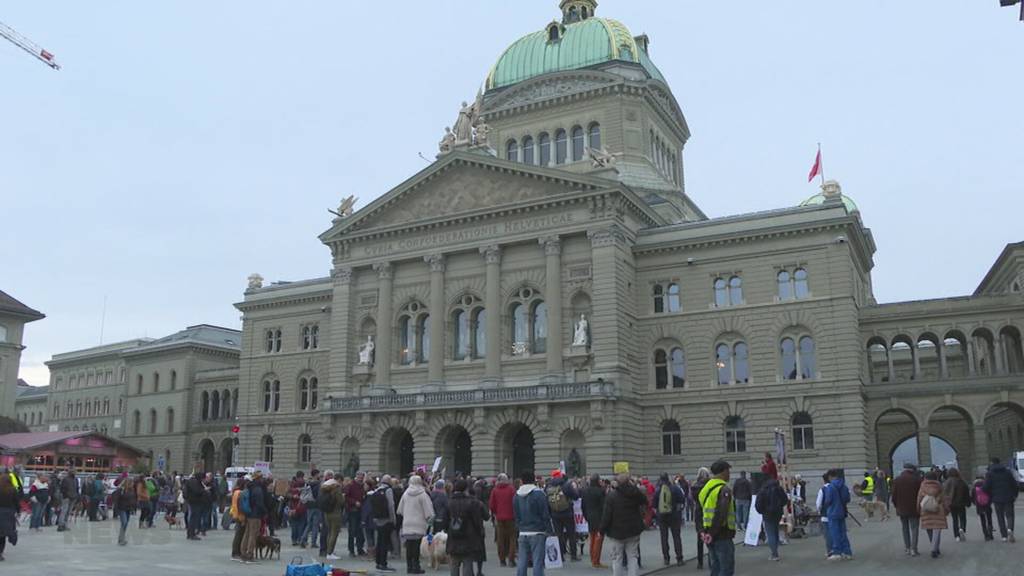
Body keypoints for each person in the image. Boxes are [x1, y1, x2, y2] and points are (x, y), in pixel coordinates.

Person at [599, 473, 648, 576]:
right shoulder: (635, 493)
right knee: (633, 557)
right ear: (629, 481)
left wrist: (602, 530)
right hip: (633, 530)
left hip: (617, 532)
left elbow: (606, 516)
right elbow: (645, 501)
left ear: (617, 483)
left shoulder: (611, 496)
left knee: (617, 558)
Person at [698, 460, 735, 576]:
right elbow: (721, 514)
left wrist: (703, 531)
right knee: (726, 569)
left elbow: (699, 512)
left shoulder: (705, 489)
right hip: (722, 534)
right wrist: (712, 533)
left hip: (709, 533)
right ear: (723, 472)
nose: (729, 474)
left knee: (715, 568)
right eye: (728, 471)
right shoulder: (724, 490)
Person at [447, 479, 489, 576]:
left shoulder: (449, 502)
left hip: (453, 536)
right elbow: (478, 520)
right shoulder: (472, 502)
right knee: (467, 562)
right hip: (469, 536)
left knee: (454, 562)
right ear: (466, 489)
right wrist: (480, 531)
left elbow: (445, 520)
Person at [514, 470, 551, 576]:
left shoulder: (516, 495)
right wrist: (549, 530)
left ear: (522, 481)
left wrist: (519, 526)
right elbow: (545, 513)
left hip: (523, 531)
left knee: (522, 561)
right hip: (538, 531)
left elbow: (516, 515)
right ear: (533, 480)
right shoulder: (539, 494)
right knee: (537, 561)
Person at [398, 475, 434, 574]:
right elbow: (428, 511)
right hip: (419, 523)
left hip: (407, 522)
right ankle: (416, 566)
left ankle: (409, 567)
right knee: (416, 546)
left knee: (409, 545)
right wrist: (429, 519)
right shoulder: (423, 494)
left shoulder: (406, 493)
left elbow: (400, 509)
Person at [545, 470, 579, 562]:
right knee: (571, 534)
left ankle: (560, 556)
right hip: (567, 512)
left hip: (555, 514)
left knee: (558, 535)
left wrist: (550, 513)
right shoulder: (566, 485)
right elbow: (576, 496)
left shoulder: (548, 486)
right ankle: (573, 556)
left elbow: (547, 501)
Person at [891, 462, 923, 557]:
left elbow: (894, 496)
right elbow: (921, 494)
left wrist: (897, 505)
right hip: (914, 508)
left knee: (904, 528)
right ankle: (914, 549)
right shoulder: (917, 480)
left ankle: (907, 548)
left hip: (902, 508)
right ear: (912, 470)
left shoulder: (897, 480)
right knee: (914, 528)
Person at [983, 457, 1017, 543]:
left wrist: (990, 494)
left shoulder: (989, 474)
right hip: (1009, 497)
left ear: (992, 463)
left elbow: (985, 487)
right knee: (1010, 515)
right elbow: (1014, 484)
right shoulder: (1007, 472)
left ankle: (1004, 536)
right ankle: (1010, 529)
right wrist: (1014, 495)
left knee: (1000, 517)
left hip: (997, 498)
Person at [821, 469, 852, 561]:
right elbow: (847, 499)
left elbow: (828, 500)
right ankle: (847, 552)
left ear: (830, 476)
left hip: (833, 512)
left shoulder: (830, 487)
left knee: (835, 532)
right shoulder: (844, 486)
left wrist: (825, 506)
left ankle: (837, 552)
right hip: (842, 511)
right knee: (843, 532)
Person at [755, 476, 788, 561]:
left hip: (767, 514)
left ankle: (774, 553)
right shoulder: (778, 488)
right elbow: (785, 500)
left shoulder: (763, 490)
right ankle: (775, 550)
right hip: (777, 513)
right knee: (775, 531)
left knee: (770, 533)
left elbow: (758, 504)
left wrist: (762, 511)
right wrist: (780, 506)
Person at [655, 473, 684, 566]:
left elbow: (654, 503)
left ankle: (666, 558)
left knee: (664, 538)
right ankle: (679, 558)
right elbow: (682, 499)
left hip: (662, 517)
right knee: (676, 537)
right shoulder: (675, 488)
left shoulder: (658, 490)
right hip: (674, 516)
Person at [370, 474, 398, 572]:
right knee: (385, 542)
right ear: (389, 481)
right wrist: (393, 519)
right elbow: (391, 505)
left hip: (378, 519)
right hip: (387, 520)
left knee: (379, 541)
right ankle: (383, 563)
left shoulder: (377, 490)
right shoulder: (388, 490)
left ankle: (378, 562)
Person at [917, 470, 948, 559]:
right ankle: (935, 548)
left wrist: (918, 510)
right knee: (937, 530)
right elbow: (944, 498)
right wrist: (946, 509)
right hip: (938, 510)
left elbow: (919, 498)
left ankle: (933, 546)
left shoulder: (922, 487)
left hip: (925, 510)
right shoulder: (939, 486)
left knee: (929, 528)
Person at [489, 473, 517, 567]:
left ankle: (502, 560)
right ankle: (511, 559)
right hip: (511, 517)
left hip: (499, 518)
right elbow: (515, 502)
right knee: (512, 538)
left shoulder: (495, 490)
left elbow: (491, 505)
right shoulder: (511, 489)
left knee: (500, 539)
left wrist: (495, 513)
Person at [580, 474, 606, 568]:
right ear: (597, 481)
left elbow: (582, 506)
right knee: (598, 539)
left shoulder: (585, 490)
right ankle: (596, 561)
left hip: (590, 516)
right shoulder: (600, 491)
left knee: (592, 538)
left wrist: (586, 516)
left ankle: (593, 558)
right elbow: (604, 506)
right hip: (599, 517)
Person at [242, 471, 268, 563]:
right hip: (256, 514)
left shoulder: (250, 486)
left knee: (247, 534)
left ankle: (243, 553)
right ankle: (250, 554)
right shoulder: (258, 489)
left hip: (249, 513)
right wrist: (265, 511)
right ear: (258, 478)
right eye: (261, 478)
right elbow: (259, 503)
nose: (263, 479)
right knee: (253, 535)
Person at [319, 471, 344, 560]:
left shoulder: (325, 487)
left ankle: (327, 551)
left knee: (329, 532)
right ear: (339, 480)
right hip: (335, 512)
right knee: (334, 533)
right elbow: (340, 501)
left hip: (327, 512)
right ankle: (330, 553)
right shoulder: (336, 488)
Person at [942, 468, 970, 542]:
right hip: (961, 503)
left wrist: (945, 503)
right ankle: (962, 528)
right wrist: (968, 502)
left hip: (952, 504)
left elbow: (944, 493)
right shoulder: (961, 481)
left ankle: (956, 536)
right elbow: (966, 492)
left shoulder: (947, 482)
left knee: (955, 520)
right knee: (962, 517)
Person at [691, 467, 711, 570]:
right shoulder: (709, 485)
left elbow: (693, 499)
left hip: (698, 512)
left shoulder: (694, 486)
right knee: (710, 537)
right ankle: (711, 560)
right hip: (708, 512)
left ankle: (700, 562)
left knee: (700, 538)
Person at [344, 471, 367, 556]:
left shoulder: (363, 486)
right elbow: (346, 497)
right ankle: (351, 550)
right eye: (359, 477)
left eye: (362, 477)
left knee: (360, 531)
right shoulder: (350, 485)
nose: (360, 478)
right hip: (352, 510)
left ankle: (360, 549)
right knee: (352, 531)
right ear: (356, 476)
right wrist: (354, 502)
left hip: (361, 510)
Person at [0, 473, 21, 561]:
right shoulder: (12, 490)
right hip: (8, 513)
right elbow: (16, 502)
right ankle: (0, 553)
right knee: (2, 535)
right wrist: (18, 511)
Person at [112, 473, 137, 546]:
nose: (133, 484)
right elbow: (116, 499)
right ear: (127, 483)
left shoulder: (132, 490)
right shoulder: (121, 490)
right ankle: (121, 539)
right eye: (131, 483)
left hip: (128, 509)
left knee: (125, 524)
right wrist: (116, 509)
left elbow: (133, 500)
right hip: (121, 508)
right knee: (124, 522)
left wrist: (134, 507)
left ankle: (121, 538)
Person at [301, 469, 323, 551]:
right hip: (316, 505)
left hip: (309, 504)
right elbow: (319, 495)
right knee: (315, 525)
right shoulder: (318, 484)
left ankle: (303, 539)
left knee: (309, 524)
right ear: (316, 474)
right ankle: (313, 542)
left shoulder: (307, 483)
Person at [229, 477, 248, 562]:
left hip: (236, 515)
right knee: (239, 535)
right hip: (240, 516)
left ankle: (235, 552)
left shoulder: (235, 491)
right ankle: (236, 553)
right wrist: (243, 518)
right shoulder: (240, 493)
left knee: (238, 534)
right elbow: (240, 506)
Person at [814, 472, 833, 558]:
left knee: (827, 533)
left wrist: (818, 511)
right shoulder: (834, 488)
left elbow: (818, 504)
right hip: (835, 514)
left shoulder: (822, 490)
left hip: (825, 514)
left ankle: (830, 550)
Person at [183, 472, 205, 541]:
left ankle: (190, 533)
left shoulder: (190, 481)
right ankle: (192, 534)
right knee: (194, 518)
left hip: (191, 501)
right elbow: (197, 491)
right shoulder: (195, 482)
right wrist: (204, 490)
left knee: (192, 517)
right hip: (195, 501)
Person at [971, 476, 994, 541]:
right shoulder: (987, 486)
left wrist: (975, 503)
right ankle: (991, 533)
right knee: (989, 519)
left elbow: (972, 498)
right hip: (987, 505)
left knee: (983, 521)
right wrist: (990, 502)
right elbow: (991, 495)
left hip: (979, 506)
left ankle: (986, 535)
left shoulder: (974, 488)